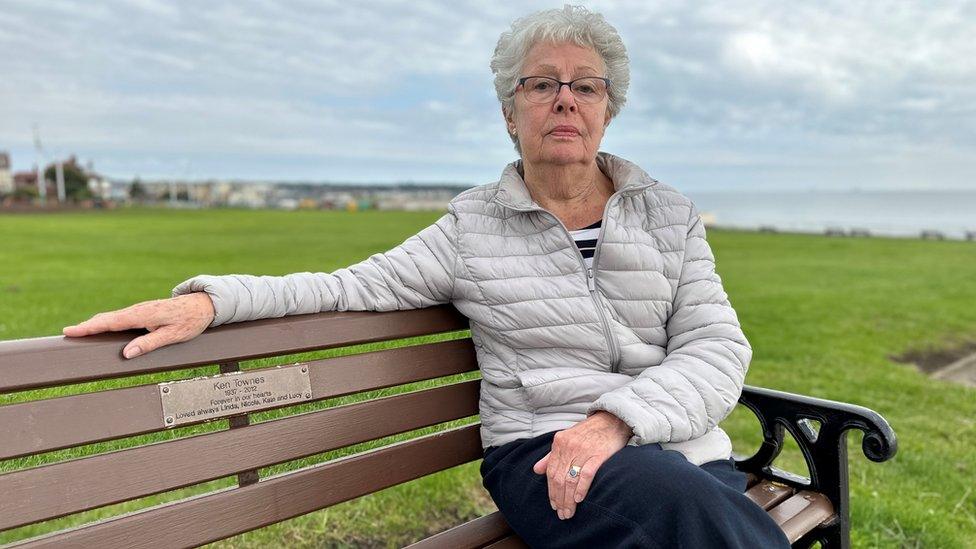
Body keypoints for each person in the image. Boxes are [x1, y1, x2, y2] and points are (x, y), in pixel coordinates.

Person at [63, 5, 790, 548]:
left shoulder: (669, 214)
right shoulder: (470, 230)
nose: (565, 99)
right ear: (511, 114)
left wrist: (618, 421)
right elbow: (344, 285)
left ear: (608, 111)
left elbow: (716, 348)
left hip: (671, 449)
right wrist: (210, 301)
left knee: (689, 507)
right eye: (542, 85)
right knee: (691, 513)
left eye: (585, 86)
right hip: (543, 454)